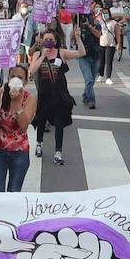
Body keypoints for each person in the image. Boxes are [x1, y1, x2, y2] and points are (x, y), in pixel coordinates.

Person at [28, 31, 82, 166]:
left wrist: (78, 38)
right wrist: (42, 56)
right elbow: (32, 70)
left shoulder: (61, 52)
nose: (48, 41)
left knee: (59, 123)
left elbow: (81, 53)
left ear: (56, 41)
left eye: (51, 39)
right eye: (46, 39)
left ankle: (58, 152)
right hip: (44, 93)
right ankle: (39, 143)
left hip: (59, 94)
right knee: (41, 120)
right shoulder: (37, 54)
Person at [0, 64, 38, 192]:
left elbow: (24, 126)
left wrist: (17, 102)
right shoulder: (2, 93)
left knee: (14, 191)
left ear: (25, 81)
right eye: (12, 76)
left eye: (19, 77)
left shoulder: (30, 98)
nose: (15, 79)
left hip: (19, 153)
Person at [76, 9, 102, 110]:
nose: (87, 18)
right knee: (89, 80)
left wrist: (90, 26)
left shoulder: (96, 24)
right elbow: (72, 38)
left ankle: (85, 95)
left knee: (92, 80)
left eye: (89, 16)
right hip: (83, 56)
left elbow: (98, 35)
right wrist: (76, 33)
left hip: (95, 55)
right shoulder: (78, 25)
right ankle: (91, 100)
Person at [99, 7, 118, 84]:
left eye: (107, 13)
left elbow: (117, 33)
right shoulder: (101, 22)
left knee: (108, 61)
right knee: (101, 61)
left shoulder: (114, 23)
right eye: (104, 13)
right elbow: (94, 20)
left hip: (111, 44)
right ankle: (100, 75)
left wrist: (118, 43)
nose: (105, 14)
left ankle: (108, 77)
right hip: (102, 43)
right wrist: (99, 13)